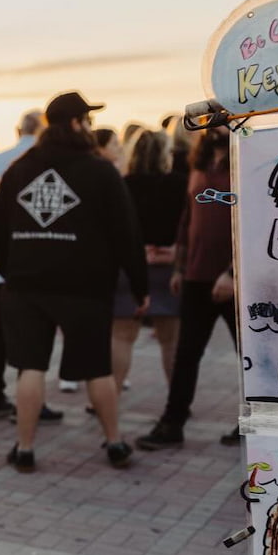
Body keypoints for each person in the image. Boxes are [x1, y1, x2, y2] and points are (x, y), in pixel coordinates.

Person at [0, 91, 147, 472]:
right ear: (76, 124)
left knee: (30, 367)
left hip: (27, 288)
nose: (90, 127)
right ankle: (115, 443)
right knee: (98, 368)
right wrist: (140, 286)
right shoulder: (99, 170)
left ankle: (24, 449)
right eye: (87, 120)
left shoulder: (19, 170)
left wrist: (15, 271)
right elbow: (127, 233)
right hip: (85, 288)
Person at [136, 125, 238, 450]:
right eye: (213, 121)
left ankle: (253, 423)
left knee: (249, 358)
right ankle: (172, 423)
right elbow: (186, 219)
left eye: (224, 119)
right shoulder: (199, 167)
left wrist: (233, 274)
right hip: (196, 276)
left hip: (235, 282)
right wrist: (180, 266)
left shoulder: (243, 164)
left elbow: (256, 222)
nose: (217, 126)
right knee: (186, 354)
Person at [0, 108, 66, 424]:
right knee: (34, 337)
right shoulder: (48, 163)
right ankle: (32, 401)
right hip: (38, 266)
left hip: (0, 265)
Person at [113, 129, 184, 393]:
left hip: (130, 266)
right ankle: (176, 400)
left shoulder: (123, 184)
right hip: (168, 266)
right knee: (170, 340)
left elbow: (115, 228)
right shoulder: (179, 183)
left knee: (122, 336)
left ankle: (111, 396)